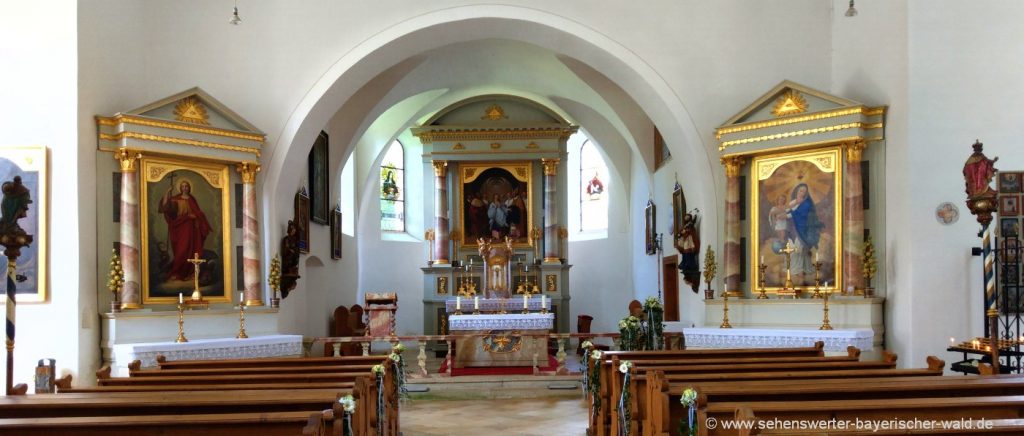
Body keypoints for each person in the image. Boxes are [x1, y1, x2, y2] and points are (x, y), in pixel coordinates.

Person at [159, 178, 212, 281]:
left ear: (189, 188)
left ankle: (191, 273)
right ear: (180, 188)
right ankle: (176, 273)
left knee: (191, 250)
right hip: (180, 227)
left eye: (186, 186)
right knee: (181, 251)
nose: (184, 188)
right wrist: (167, 192)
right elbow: (165, 207)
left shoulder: (192, 200)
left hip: (191, 229)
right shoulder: (176, 199)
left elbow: (199, 213)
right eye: (183, 186)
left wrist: (195, 215)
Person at [785, 183, 821, 285]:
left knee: (799, 248)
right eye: (800, 190)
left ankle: (799, 270)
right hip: (792, 229)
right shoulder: (793, 202)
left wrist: (786, 216)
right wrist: (783, 214)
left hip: (801, 229)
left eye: (804, 191)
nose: (802, 192)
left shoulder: (806, 203)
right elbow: (787, 210)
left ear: (806, 193)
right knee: (792, 248)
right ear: (797, 190)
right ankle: (796, 269)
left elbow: (800, 215)